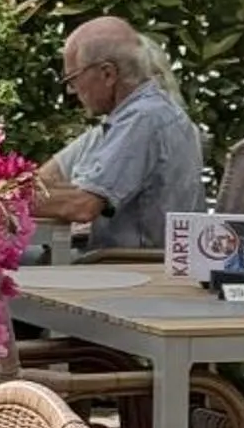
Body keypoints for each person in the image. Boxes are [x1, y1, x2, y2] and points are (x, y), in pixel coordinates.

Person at [30, 17, 203, 253]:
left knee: (11, 268)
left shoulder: (144, 119)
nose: (71, 91)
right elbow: (64, 186)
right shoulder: (137, 115)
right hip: (131, 261)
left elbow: (82, 206)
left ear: (108, 74)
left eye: (73, 79)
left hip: (137, 268)